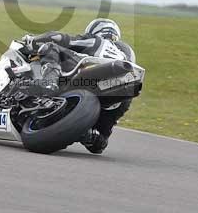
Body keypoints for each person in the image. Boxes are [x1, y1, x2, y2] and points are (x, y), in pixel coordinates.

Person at [23, 18, 136, 154]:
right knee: (100, 141)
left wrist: (32, 39)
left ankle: (48, 84)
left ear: (95, 31)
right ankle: (93, 135)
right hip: (121, 89)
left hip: (87, 77)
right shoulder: (125, 52)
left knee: (51, 47)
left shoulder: (96, 40)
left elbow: (59, 38)